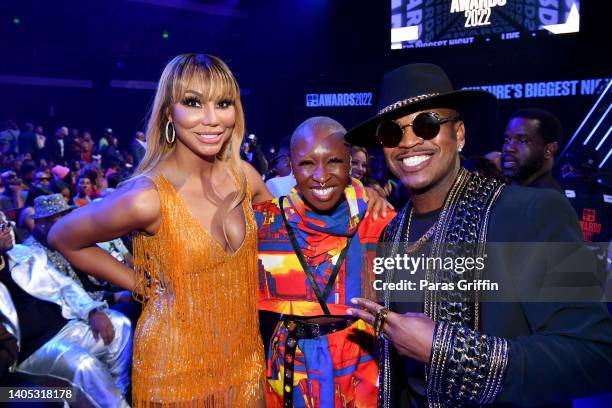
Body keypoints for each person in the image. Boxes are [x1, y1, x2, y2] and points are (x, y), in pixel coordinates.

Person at [344, 63, 612, 407]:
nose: (409, 143)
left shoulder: (532, 213)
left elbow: (594, 354)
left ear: (459, 134)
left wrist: (448, 351)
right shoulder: (392, 234)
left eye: (426, 125)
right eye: (393, 133)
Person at [49, 53, 271, 406]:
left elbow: (291, 225)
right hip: (174, 371)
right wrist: (139, 283)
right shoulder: (147, 197)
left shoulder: (245, 177)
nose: (212, 119)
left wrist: (359, 196)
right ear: (169, 112)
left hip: (244, 360)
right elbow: (63, 237)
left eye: (223, 103)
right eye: (194, 103)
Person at [255, 116, 394, 407]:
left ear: (350, 163)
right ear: (291, 167)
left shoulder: (380, 220)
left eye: (334, 161)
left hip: (359, 357)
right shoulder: (267, 222)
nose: (321, 175)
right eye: (306, 163)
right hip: (292, 363)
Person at [0, 210, 132, 407]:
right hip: (30, 351)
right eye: (1, 227)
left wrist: (92, 311)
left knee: (120, 325)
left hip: (66, 326)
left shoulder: (25, 254)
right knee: (82, 364)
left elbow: (64, 285)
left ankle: (118, 395)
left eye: (7, 223)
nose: (8, 229)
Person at [501, 108, 563, 192]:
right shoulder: (503, 188)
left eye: (522, 141)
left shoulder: (548, 200)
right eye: (507, 140)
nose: (508, 148)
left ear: (549, 149)